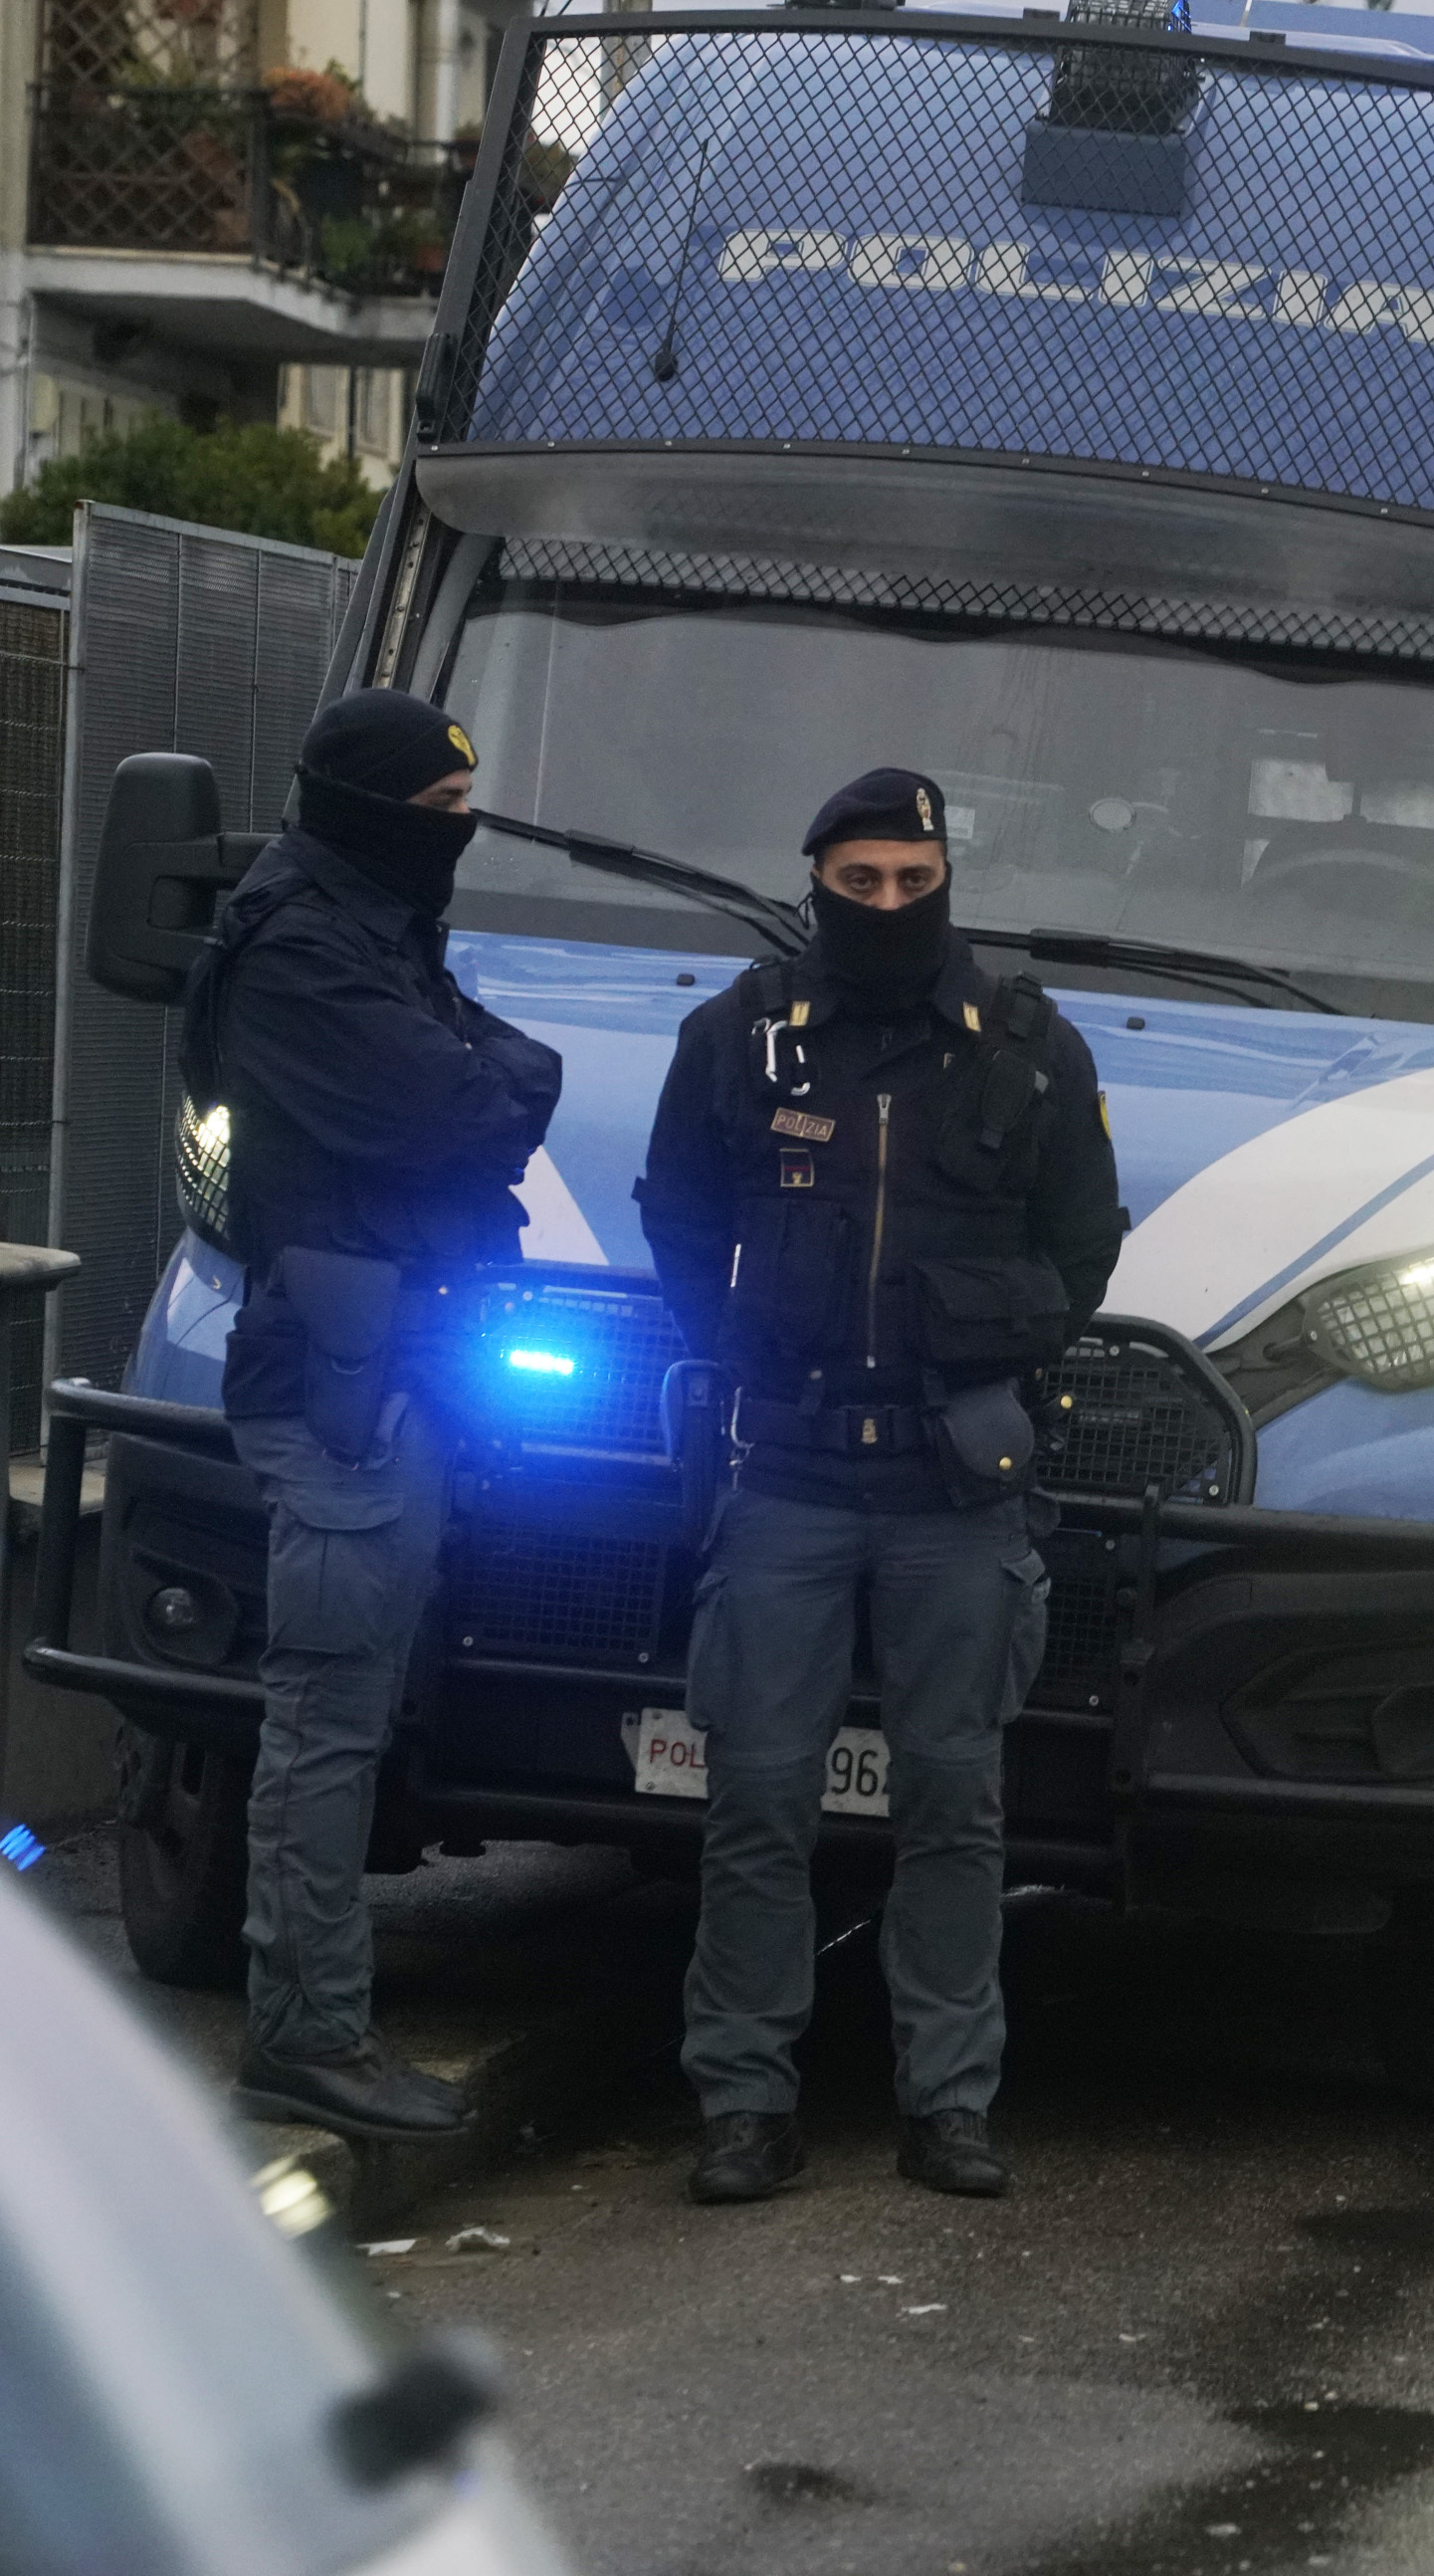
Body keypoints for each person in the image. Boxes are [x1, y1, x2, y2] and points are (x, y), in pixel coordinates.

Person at [638, 769, 1124, 2204]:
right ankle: (741, 2102)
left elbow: (1082, 1247)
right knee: (757, 1803)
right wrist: (729, 1339)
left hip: (952, 1487)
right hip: (785, 1468)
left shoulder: (1027, 1051)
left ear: (946, 879)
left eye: (915, 882)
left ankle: (951, 2102)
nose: (892, 907)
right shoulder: (740, 1039)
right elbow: (676, 1211)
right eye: (862, 885)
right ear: (819, 885)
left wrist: (987, 1334)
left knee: (957, 1808)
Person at [183, 691, 563, 2141]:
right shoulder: (302, 952)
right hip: (344, 1390)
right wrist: (486, 1081)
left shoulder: (365, 925)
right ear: (373, 817)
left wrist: (488, 1079)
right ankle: (305, 2038)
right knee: (325, 1727)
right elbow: (473, 1108)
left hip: (397, 1368)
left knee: (349, 1716)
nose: (455, 844)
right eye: (442, 820)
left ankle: (317, 2029)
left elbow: (502, 1075)